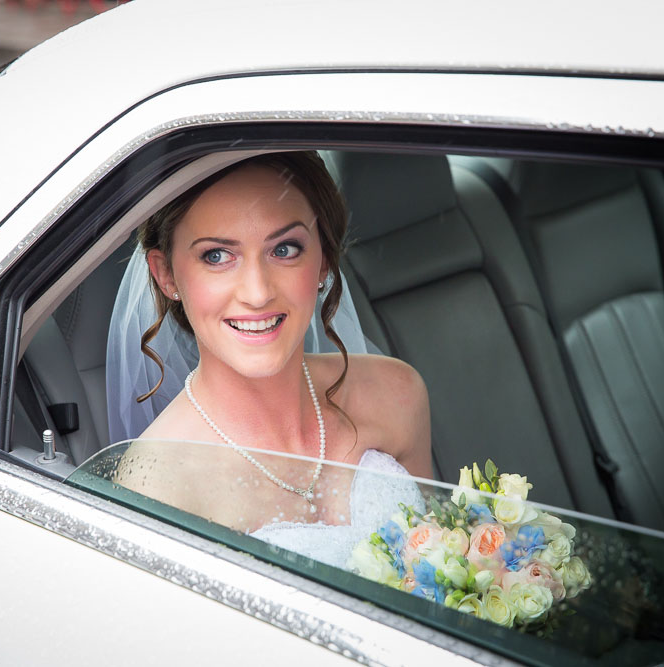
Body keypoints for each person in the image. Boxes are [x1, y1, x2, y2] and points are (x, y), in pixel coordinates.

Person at [110, 151, 430, 565]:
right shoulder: (154, 486)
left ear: (324, 261)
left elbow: (443, 572)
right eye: (216, 256)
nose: (258, 292)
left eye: (284, 249)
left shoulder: (397, 394)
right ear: (166, 274)